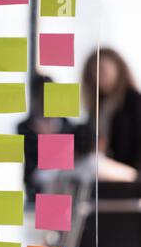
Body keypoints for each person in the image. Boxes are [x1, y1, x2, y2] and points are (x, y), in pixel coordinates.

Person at [78, 48, 141, 182]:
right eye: (93, 72)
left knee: (92, 164)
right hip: (107, 171)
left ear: (118, 69)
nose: (97, 76)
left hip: (131, 173)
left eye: (102, 70)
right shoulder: (98, 107)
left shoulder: (134, 102)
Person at [17, 74, 75, 203]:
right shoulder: (24, 128)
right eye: (41, 95)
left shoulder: (68, 126)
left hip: (64, 193)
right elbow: (31, 170)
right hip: (36, 194)